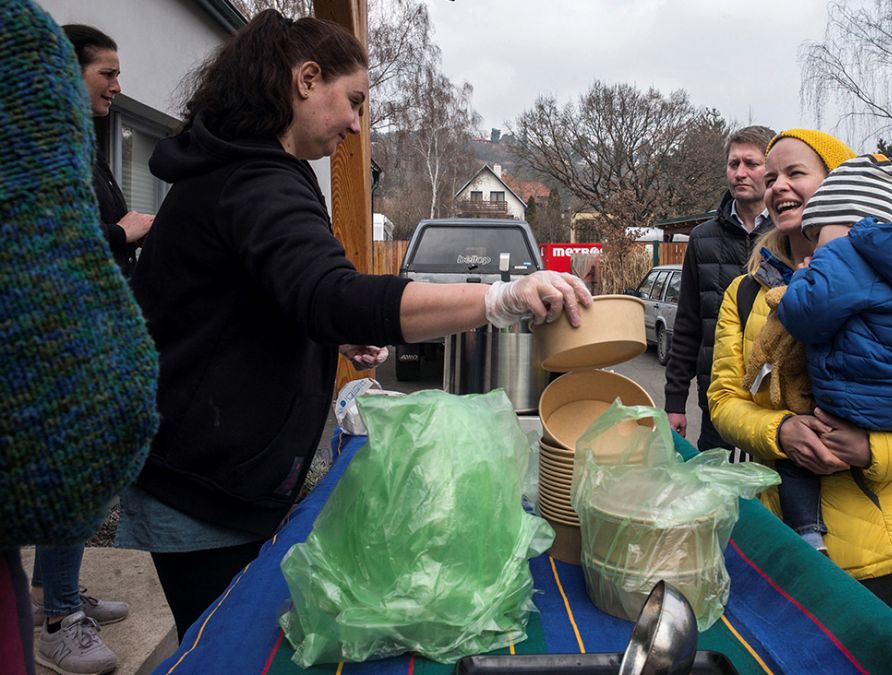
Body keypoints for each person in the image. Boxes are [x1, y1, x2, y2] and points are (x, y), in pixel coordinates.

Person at [119, 10, 591, 641]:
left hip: (205, 468)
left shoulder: (237, 169)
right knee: (225, 648)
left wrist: (325, 331)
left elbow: (255, 298)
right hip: (207, 484)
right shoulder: (256, 178)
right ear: (307, 79)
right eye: (354, 101)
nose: (355, 123)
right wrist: (500, 298)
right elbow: (330, 293)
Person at [707, 129, 892, 632]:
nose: (777, 186)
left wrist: (875, 450)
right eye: (771, 176)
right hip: (785, 543)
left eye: (796, 173)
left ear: (839, 188)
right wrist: (779, 433)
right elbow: (724, 401)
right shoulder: (748, 293)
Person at [2, 2, 159, 673]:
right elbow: (78, 240)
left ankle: (60, 595)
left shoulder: (87, 150)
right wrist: (131, 230)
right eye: (107, 71)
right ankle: (59, 612)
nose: (117, 85)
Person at [664, 125, 775, 460]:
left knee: (771, 498)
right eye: (733, 164)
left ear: (772, 170)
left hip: (775, 400)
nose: (740, 173)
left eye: (751, 164)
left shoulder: (792, 233)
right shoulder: (702, 238)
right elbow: (687, 325)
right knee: (715, 491)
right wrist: (674, 403)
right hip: (716, 396)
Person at [61, 24, 154, 278]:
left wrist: (132, 232)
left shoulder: (81, 139)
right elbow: (48, 233)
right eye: (108, 74)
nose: (117, 87)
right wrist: (121, 232)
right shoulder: (37, 142)